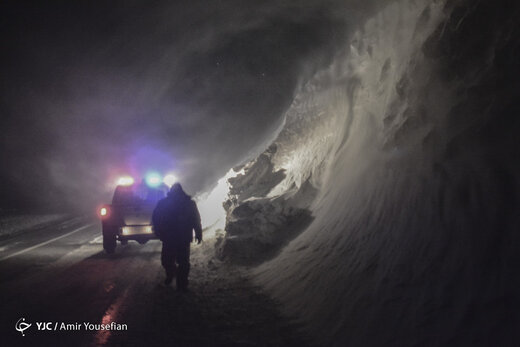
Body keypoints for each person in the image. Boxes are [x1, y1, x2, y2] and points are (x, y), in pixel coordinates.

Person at [152, 183, 202, 291]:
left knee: (179, 261)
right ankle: (173, 275)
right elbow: (156, 218)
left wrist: (198, 233)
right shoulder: (165, 204)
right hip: (173, 237)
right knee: (169, 261)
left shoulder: (188, 204)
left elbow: (196, 219)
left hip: (179, 238)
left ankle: (181, 283)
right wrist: (158, 230)